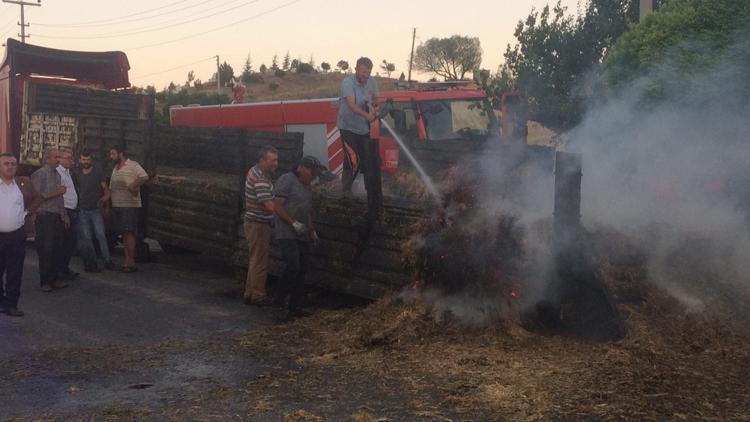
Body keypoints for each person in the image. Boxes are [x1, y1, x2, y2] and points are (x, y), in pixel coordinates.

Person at [272, 156, 325, 318]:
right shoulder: (287, 180)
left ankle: (295, 307)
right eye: (313, 172)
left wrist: (311, 230)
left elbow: (307, 210)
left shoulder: (307, 186)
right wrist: (293, 222)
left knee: (302, 269)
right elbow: (277, 205)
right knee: (293, 264)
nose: (315, 176)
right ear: (302, 168)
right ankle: (279, 299)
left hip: (302, 233)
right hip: (286, 232)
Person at [0, 153, 40, 316]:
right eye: (6, 164)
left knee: (15, 272)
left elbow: (38, 197)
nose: (10, 166)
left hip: (16, 236)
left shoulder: (23, 183)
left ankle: (11, 305)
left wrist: (28, 212)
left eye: (13, 164)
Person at [337, 57, 379, 194]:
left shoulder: (372, 81)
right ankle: (346, 191)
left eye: (368, 72)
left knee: (367, 158)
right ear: (356, 70)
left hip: (363, 128)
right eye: (363, 72)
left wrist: (374, 108)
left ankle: (368, 189)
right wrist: (368, 116)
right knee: (353, 159)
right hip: (348, 127)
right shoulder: (347, 83)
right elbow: (352, 105)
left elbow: (376, 99)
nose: (366, 75)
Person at [103, 146, 148, 273]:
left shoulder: (133, 165)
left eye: (113, 154)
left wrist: (133, 186)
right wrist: (107, 204)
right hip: (117, 205)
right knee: (123, 233)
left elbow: (144, 176)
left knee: (129, 233)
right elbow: (111, 189)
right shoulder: (115, 169)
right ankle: (126, 260)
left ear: (121, 154)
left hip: (129, 205)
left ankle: (131, 261)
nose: (111, 156)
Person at [243, 146, 278, 306]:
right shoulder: (261, 179)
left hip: (253, 222)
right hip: (259, 224)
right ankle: (258, 295)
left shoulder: (255, 171)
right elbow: (270, 205)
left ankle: (249, 292)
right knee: (260, 260)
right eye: (273, 160)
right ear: (262, 160)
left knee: (255, 258)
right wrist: (289, 216)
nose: (276, 164)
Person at [30, 148, 70, 292]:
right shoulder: (39, 174)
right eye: (55, 157)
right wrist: (57, 192)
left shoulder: (57, 175)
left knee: (56, 249)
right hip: (44, 215)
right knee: (46, 249)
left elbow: (60, 199)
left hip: (56, 216)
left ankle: (54, 278)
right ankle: (45, 281)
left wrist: (64, 215)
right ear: (47, 159)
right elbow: (36, 197)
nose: (58, 159)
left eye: (59, 157)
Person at [75, 149, 114, 272]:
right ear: (80, 160)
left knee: (101, 235)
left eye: (88, 159)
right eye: (83, 159)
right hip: (83, 210)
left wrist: (106, 205)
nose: (85, 162)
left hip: (96, 210)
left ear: (91, 160)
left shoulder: (98, 172)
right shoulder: (77, 173)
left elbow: (106, 190)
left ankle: (108, 261)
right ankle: (92, 263)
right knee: (87, 238)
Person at [56, 149, 79, 280]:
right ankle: (59, 269)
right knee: (63, 242)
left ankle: (65, 267)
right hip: (66, 211)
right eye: (68, 158)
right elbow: (59, 195)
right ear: (60, 159)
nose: (72, 160)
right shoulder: (58, 173)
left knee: (70, 242)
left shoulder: (68, 172)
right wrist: (64, 214)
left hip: (73, 209)